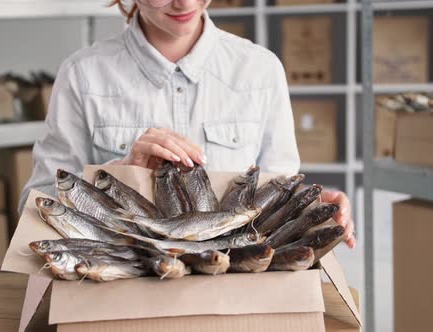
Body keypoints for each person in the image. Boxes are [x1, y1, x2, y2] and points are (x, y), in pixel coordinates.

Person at [19, 0, 356, 248]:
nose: (185, 2)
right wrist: (120, 173)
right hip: (123, 297)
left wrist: (311, 205)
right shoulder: (83, 75)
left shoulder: (260, 70)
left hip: (233, 297)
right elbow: (32, 208)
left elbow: (278, 196)